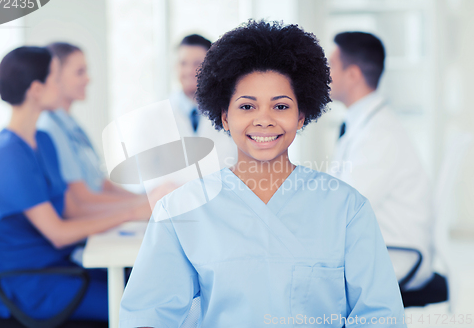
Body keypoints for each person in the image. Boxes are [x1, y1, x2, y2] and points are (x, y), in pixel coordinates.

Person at [120, 21, 406, 327]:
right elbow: (148, 315)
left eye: (280, 106)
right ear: (225, 117)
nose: (264, 120)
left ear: (301, 116)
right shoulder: (179, 211)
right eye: (247, 107)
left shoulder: (347, 209)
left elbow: (380, 317)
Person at [0, 46, 148, 321]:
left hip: (62, 269)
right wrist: (132, 213)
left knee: (149, 286)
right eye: (55, 79)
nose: (61, 86)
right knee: (144, 310)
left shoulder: (43, 141)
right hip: (31, 286)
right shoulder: (5, 156)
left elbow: (73, 209)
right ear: (35, 89)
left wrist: (143, 207)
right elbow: (58, 232)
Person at [327, 31, 434, 291]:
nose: (324, 76)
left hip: (396, 255)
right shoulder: (364, 124)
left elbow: (344, 207)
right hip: (375, 247)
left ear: (352, 75)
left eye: (330, 67)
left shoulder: (379, 134)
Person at [37, 42, 156, 214]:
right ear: (56, 76)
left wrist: (148, 199)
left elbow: (101, 184)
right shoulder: (50, 128)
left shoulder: (72, 125)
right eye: (80, 72)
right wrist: (142, 206)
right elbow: (81, 197)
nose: (88, 79)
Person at [169, 34, 237, 169]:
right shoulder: (157, 114)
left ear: (211, 67)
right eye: (183, 63)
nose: (189, 70)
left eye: (197, 64)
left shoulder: (230, 112)